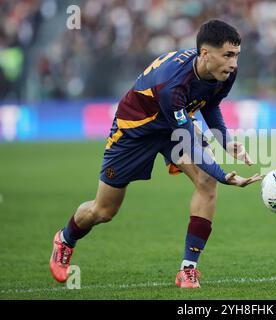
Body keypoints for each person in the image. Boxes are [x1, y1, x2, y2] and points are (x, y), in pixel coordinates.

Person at [49, 19, 262, 288]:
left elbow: (211, 105)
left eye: (236, 56)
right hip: (135, 130)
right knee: (104, 210)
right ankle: (66, 239)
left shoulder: (225, 73)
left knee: (205, 183)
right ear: (206, 54)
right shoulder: (172, 85)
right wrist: (223, 175)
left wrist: (225, 141)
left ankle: (188, 269)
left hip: (174, 125)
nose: (233, 63)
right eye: (228, 55)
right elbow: (188, 138)